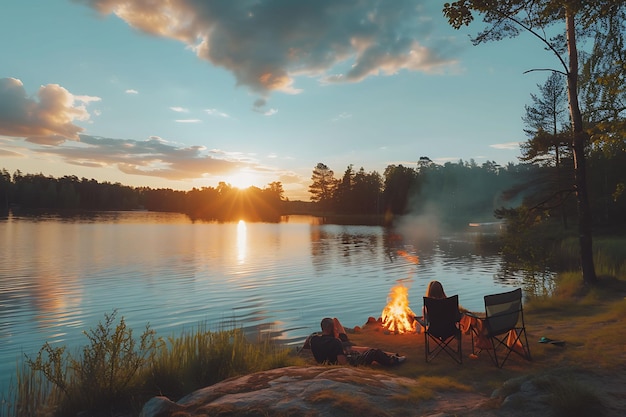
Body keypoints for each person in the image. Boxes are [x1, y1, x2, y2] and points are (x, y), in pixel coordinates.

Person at [309, 317, 406, 366]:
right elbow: (343, 363)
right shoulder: (335, 342)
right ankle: (392, 360)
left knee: (362, 349)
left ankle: (393, 355)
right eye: (335, 329)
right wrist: (351, 355)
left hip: (331, 351)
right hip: (346, 361)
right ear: (332, 329)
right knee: (373, 353)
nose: (337, 330)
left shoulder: (313, 339)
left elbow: (309, 344)